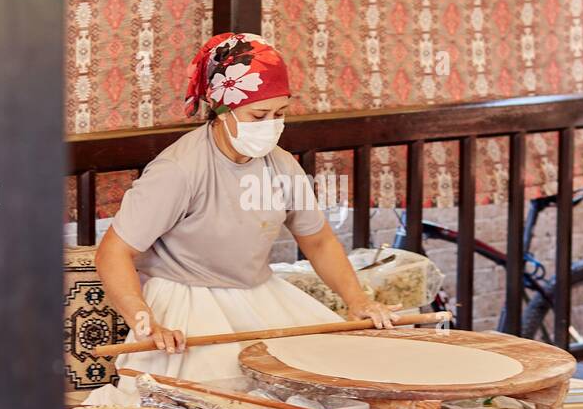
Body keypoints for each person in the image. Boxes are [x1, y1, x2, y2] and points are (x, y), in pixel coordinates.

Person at [95, 32, 399, 386]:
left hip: (258, 292)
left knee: (327, 375)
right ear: (222, 111)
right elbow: (114, 252)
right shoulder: (179, 170)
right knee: (220, 393)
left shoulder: (282, 165)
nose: (271, 125)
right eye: (258, 115)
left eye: (280, 113)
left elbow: (318, 241)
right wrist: (143, 320)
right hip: (187, 298)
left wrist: (357, 299)